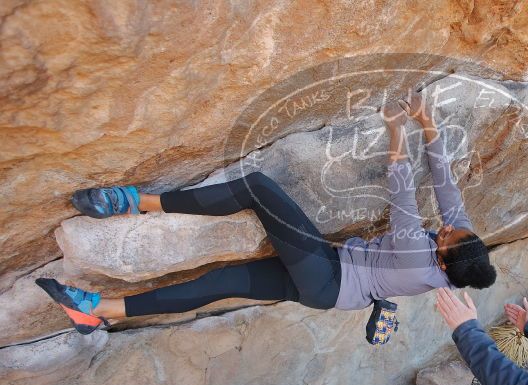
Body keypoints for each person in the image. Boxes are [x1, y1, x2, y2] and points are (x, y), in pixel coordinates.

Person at [38, 94, 497, 334]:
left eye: (444, 238)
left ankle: (135, 201)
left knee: (259, 188)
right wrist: (427, 121)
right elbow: (446, 185)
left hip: (330, 279)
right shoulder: (461, 251)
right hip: (331, 280)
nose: (447, 229)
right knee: (220, 284)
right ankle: (101, 311)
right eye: (454, 231)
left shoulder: (418, 256)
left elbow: (403, 193)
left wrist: (396, 127)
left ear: (441, 260)